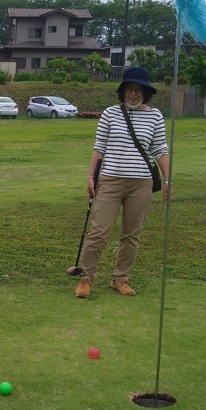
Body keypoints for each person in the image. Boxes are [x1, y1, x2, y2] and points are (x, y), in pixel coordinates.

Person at [74, 66, 170, 299]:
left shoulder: (155, 116)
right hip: (110, 180)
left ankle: (120, 279)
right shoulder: (110, 114)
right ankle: (86, 279)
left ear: (145, 92)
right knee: (99, 231)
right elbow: (99, 148)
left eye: (138, 90)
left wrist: (168, 180)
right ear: (123, 91)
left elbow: (160, 149)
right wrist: (90, 177)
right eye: (129, 89)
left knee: (131, 234)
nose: (133, 94)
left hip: (141, 184)